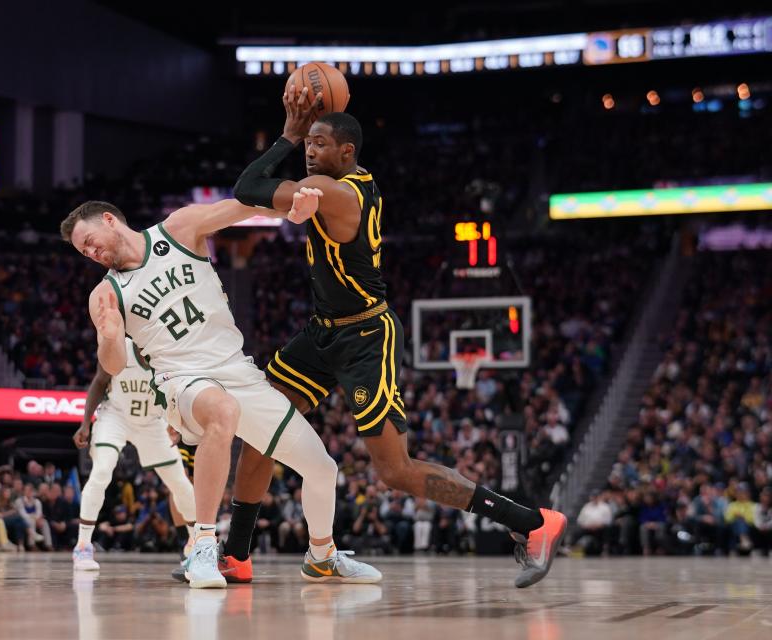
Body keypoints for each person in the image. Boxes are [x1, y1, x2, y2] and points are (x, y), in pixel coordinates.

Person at [227, 83, 566, 588]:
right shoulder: (336, 182)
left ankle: (534, 523)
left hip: (367, 336)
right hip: (322, 332)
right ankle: (235, 556)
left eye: (319, 143)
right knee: (260, 433)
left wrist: (286, 134)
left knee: (395, 470)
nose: (309, 151)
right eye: (307, 144)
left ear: (347, 152)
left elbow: (248, 187)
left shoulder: (338, 193)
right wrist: (295, 141)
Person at [60, 190, 380, 588]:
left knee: (322, 468)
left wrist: (292, 205)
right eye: (82, 251)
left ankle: (322, 555)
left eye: (88, 241)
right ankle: (204, 545)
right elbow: (113, 366)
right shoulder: (106, 294)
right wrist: (109, 338)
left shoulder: (178, 228)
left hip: (236, 370)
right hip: (180, 381)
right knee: (223, 411)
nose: (88, 252)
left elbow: (241, 207)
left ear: (109, 219)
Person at [71, 342, 197, 571]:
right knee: (101, 471)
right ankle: (83, 546)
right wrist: (85, 424)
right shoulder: (119, 348)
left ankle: (196, 544)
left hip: (152, 422)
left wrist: (176, 421)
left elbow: (179, 392)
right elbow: (99, 382)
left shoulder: (168, 354)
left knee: (179, 481)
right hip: (115, 417)